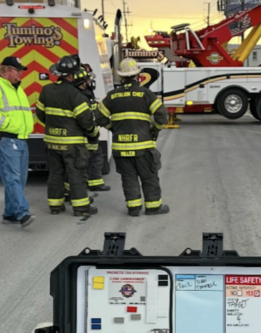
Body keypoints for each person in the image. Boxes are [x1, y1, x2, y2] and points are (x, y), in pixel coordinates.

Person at [97, 58, 169, 216]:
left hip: (121, 149)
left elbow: (99, 117)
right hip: (143, 147)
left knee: (128, 178)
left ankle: (134, 208)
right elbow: (162, 115)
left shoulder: (112, 96)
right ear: (138, 75)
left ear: (121, 77)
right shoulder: (146, 94)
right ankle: (153, 207)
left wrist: (113, 128)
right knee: (149, 177)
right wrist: (154, 130)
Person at [37, 56, 98, 219]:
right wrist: (92, 133)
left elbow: (40, 114)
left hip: (51, 143)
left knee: (56, 174)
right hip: (72, 144)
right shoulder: (74, 94)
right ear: (71, 75)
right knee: (75, 174)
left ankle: (55, 206)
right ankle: (81, 208)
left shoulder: (46, 90)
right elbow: (85, 120)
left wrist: (53, 127)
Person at [0, 57, 34, 228]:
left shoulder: (16, 88)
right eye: (17, 70)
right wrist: (10, 126)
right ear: (6, 70)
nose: (20, 73)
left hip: (20, 138)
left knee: (20, 179)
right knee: (13, 178)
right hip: (5, 139)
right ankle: (22, 213)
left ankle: (10, 213)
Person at [76, 63, 110, 192]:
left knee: (95, 156)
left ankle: (95, 181)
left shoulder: (86, 92)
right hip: (86, 134)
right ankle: (91, 183)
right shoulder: (80, 94)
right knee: (89, 158)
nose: (91, 81)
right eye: (89, 79)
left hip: (90, 132)